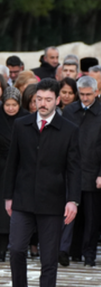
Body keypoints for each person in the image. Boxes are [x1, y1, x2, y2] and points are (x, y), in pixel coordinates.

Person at [4, 78, 80, 287]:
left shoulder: (68, 129)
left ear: (58, 100)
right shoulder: (21, 125)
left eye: (48, 99)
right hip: (23, 199)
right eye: (39, 99)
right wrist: (8, 196)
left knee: (49, 258)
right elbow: (12, 163)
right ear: (34, 99)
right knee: (16, 249)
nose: (43, 104)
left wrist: (73, 201)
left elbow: (73, 169)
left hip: (53, 202)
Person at [0, 87, 28, 262]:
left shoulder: (26, 118)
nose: (10, 108)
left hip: (20, 169)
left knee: (18, 210)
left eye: (14, 105)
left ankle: (18, 248)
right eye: (7, 104)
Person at [60, 76, 101, 267]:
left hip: (94, 171)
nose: (85, 98)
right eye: (82, 94)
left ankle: (89, 254)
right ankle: (71, 252)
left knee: (92, 217)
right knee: (71, 213)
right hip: (72, 171)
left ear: (96, 92)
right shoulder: (69, 111)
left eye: (88, 95)